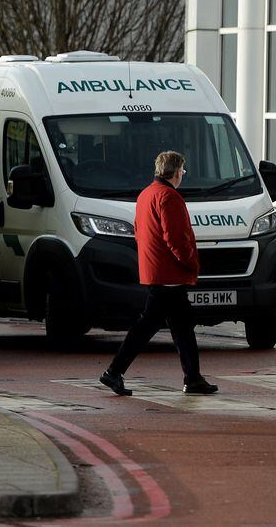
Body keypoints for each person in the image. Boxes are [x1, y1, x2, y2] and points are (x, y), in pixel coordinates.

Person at [99, 150, 218, 396]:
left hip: (155, 269)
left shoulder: (146, 194)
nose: (183, 174)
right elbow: (175, 238)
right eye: (182, 170)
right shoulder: (170, 197)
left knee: (180, 326)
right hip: (169, 273)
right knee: (150, 325)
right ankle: (114, 371)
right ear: (175, 172)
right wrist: (191, 263)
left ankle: (193, 377)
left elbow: (140, 231)